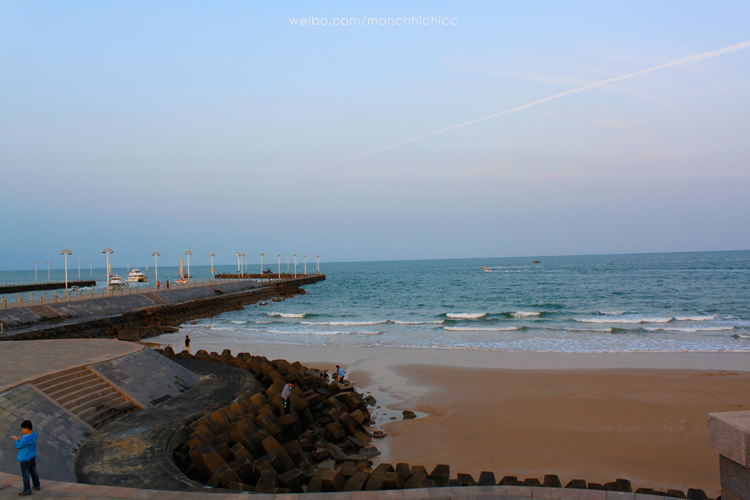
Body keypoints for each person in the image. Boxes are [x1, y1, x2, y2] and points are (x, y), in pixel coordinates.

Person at [12, 420, 40, 496]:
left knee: (25, 474)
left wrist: (16, 440)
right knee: (33, 471)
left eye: (23, 429)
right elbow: (27, 439)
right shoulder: (34, 434)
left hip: (25, 458)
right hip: (32, 456)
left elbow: (18, 446)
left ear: (26, 429)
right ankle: (37, 485)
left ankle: (27, 490)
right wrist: (21, 438)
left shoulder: (24, 439)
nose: (23, 430)